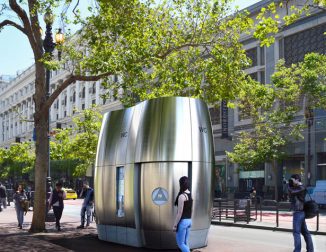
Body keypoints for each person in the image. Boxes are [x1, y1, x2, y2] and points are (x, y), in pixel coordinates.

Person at [288, 174, 314, 252]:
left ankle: (297, 250)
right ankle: (310, 250)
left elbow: (291, 191)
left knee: (296, 233)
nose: (291, 181)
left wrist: (292, 184)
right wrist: (292, 183)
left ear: (297, 180)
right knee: (306, 233)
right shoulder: (298, 188)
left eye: (292, 180)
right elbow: (291, 192)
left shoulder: (301, 188)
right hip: (300, 213)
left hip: (298, 213)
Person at [173, 176, 193, 252]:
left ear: (180, 184)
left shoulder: (182, 196)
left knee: (180, 244)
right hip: (189, 221)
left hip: (183, 222)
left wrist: (175, 225)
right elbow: (192, 210)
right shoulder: (190, 194)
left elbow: (179, 212)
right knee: (185, 242)